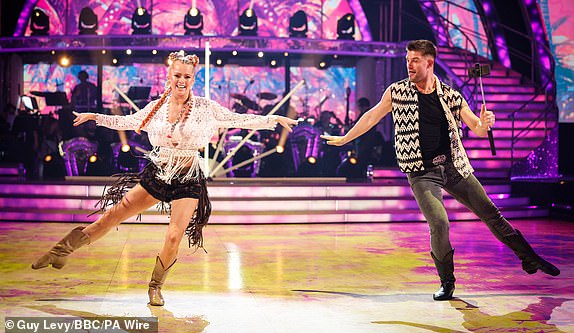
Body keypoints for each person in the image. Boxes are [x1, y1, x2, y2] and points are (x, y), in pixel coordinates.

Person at [31, 50, 298, 306]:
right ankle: (61, 251)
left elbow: (238, 118)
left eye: (187, 77)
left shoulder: (206, 108)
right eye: (177, 76)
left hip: (188, 178)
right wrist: (95, 117)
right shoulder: (155, 108)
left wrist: (270, 118)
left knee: (173, 237)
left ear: (193, 79)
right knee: (113, 215)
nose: (181, 81)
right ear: (169, 77)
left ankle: (156, 286)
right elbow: (127, 121)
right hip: (158, 173)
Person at [321, 40, 559, 301]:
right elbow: (371, 116)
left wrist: (485, 122)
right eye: (407, 59)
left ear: (429, 62)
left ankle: (529, 258)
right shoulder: (397, 92)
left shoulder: (451, 96)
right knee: (440, 222)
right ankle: (447, 281)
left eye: (414, 60)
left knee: (490, 212)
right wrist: (345, 138)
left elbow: (477, 128)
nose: (408, 64)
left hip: (454, 166)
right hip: (422, 172)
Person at [70, 70, 98, 138]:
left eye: (83, 76)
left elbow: (96, 96)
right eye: (80, 77)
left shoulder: (91, 86)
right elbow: (73, 99)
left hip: (90, 109)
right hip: (80, 109)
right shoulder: (77, 87)